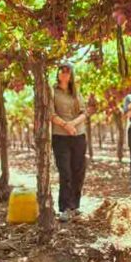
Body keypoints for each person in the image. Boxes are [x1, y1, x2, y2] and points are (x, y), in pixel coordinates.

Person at [50, 62, 87, 222]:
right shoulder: (52, 91)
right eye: (62, 71)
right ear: (58, 73)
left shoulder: (76, 92)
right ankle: (64, 207)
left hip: (78, 134)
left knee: (78, 171)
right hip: (60, 136)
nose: (65, 74)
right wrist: (66, 125)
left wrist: (73, 124)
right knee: (65, 172)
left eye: (68, 71)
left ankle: (75, 205)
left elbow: (84, 112)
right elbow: (50, 114)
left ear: (71, 74)